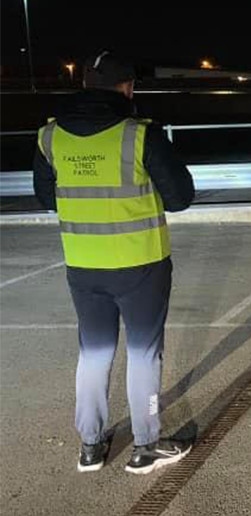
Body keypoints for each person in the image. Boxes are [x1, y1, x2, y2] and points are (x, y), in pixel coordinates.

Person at [33, 51, 196, 474]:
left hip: (83, 265)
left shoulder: (51, 137)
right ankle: (145, 445)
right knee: (144, 352)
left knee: (94, 350)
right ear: (128, 88)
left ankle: (90, 446)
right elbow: (180, 198)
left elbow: (46, 197)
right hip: (141, 264)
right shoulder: (140, 135)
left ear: (85, 85)